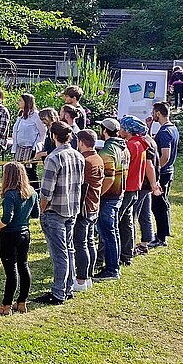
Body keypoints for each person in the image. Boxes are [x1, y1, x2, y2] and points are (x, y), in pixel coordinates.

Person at [32, 122, 84, 306]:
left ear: (53, 136)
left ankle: (58, 293)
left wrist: (42, 209)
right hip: (72, 209)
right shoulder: (78, 156)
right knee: (69, 250)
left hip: (55, 211)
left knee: (59, 253)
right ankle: (67, 288)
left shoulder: (53, 158)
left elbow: (46, 192)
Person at [0, 162, 39, 315]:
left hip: (9, 234)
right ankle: (22, 302)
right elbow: (36, 214)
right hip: (25, 233)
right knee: (23, 266)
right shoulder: (32, 192)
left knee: (11, 271)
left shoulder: (10, 194)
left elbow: (7, 217)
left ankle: (6, 305)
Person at [118, 115, 160, 262]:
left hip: (130, 187)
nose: (120, 129)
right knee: (132, 219)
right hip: (138, 186)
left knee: (122, 221)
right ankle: (130, 250)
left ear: (128, 130)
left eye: (122, 127)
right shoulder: (142, 143)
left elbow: (147, 165)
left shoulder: (131, 145)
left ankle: (121, 252)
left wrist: (154, 184)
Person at [94, 118, 129, 281]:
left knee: (107, 233)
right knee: (113, 232)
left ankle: (111, 269)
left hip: (108, 197)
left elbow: (108, 178)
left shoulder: (107, 151)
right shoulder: (123, 147)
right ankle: (113, 265)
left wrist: (97, 195)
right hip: (119, 194)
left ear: (104, 131)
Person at [73, 130, 104, 291]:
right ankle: (89, 276)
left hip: (84, 207)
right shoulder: (98, 158)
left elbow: (80, 185)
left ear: (81, 143)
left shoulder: (85, 161)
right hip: (94, 205)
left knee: (81, 244)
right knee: (89, 242)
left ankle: (81, 278)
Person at [150, 101, 179, 248]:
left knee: (158, 205)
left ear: (159, 113)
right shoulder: (172, 128)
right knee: (162, 203)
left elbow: (165, 156)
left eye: (153, 112)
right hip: (169, 171)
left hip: (163, 173)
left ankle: (161, 237)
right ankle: (163, 234)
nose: (152, 114)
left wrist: (156, 170)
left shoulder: (165, 132)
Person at [11, 93, 47, 187]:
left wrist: (37, 144)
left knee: (30, 172)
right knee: (19, 171)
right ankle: (23, 191)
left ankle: (35, 192)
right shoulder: (21, 115)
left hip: (31, 148)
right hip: (20, 148)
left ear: (26, 102)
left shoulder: (35, 115)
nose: (18, 102)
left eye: (20, 100)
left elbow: (43, 131)